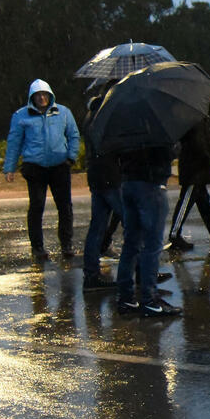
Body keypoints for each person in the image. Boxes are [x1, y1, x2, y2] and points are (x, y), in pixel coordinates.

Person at [3, 79, 80, 262]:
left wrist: (71, 157)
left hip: (60, 166)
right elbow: (14, 142)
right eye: (38, 95)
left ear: (50, 95)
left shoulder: (63, 113)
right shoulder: (21, 116)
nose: (42, 98)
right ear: (32, 98)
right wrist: (9, 167)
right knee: (37, 207)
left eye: (44, 94)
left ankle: (66, 244)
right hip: (35, 167)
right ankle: (37, 247)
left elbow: (73, 135)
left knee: (65, 207)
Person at [115, 144, 182, 317]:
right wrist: (175, 147)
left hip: (128, 181)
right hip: (150, 182)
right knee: (152, 244)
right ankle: (150, 299)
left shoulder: (125, 123)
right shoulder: (153, 126)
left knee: (131, 243)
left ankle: (125, 297)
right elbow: (166, 151)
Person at [81, 88, 121, 291]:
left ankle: (91, 274)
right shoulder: (106, 116)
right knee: (133, 223)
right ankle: (141, 272)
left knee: (97, 226)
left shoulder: (92, 114)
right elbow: (113, 146)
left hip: (97, 176)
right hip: (111, 177)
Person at [165, 119, 210, 252]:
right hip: (194, 168)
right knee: (186, 202)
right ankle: (174, 235)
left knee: (204, 204)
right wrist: (207, 156)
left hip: (198, 167)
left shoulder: (196, 117)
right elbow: (199, 142)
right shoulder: (194, 119)